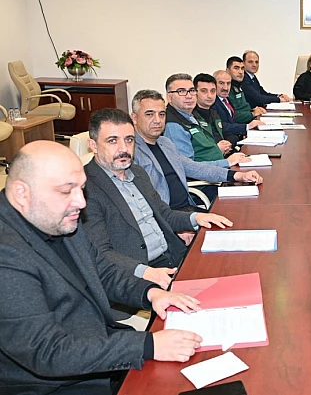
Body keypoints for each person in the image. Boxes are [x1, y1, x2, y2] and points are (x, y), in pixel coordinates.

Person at [0, 140, 203, 393]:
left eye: (82, 189)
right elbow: (47, 352)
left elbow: (101, 271)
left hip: (101, 351)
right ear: (22, 193)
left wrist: (150, 293)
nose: (80, 202)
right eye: (66, 191)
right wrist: (147, 346)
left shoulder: (57, 216)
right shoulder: (7, 255)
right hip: (57, 384)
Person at [84, 108, 234, 293]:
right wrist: (146, 272)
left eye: (129, 140)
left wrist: (197, 218)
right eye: (112, 141)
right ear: (93, 145)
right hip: (138, 276)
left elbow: (164, 214)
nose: (123, 149)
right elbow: (100, 252)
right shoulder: (85, 188)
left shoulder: (137, 173)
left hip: (172, 256)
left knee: (230, 270)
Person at [130, 89, 262, 212]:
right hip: (167, 218)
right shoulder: (132, 152)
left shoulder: (164, 143)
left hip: (187, 209)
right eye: (149, 114)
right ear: (134, 118)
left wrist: (237, 175)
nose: (157, 120)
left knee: (247, 211)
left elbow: (194, 168)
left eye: (162, 114)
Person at [163, 73, 250, 168]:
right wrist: (227, 163)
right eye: (181, 91)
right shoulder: (173, 125)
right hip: (210, 174)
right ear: (169, 97)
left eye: (191, 90)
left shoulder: (190, 117)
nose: (189, 96)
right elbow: (187, 168)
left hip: (218, 167)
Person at [213, 60, 265, 138]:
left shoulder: (226, 99)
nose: (225, 88)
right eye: (221, 83)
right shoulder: (213, 102)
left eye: (228, 83)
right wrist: (246, 126)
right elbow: (222, 126)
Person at [193, 73, 235, 151]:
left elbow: (230, 134)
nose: (209, 96)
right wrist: (217, 148)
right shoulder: (191, 116)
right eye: (204, 91)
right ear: (194, 92)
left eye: (213, 91)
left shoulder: (214, 113)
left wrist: (228, 143)